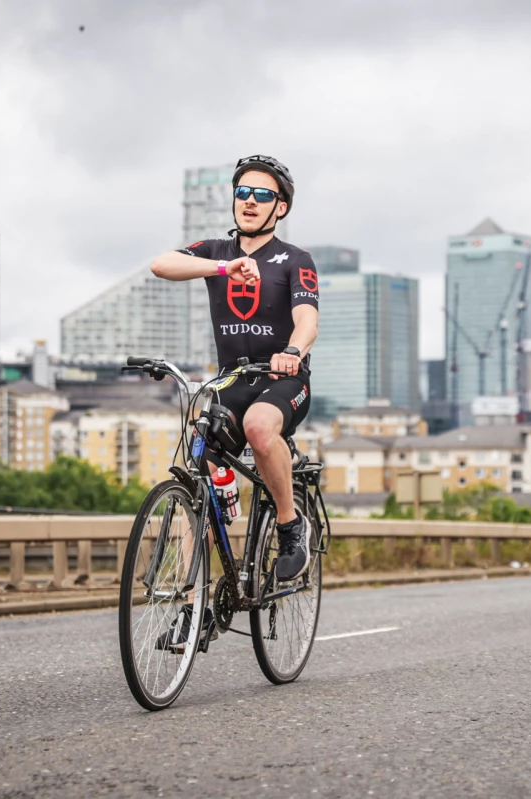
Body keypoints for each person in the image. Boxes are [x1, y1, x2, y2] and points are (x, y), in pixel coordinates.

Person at [150, 155, 319, 648]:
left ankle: (290, 526)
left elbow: (307, 318)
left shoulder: (294, 260)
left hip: (282, 380)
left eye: (262, 195)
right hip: (230, 382)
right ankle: (190, 607)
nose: (250, 201)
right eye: (243, 192)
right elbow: (163, 264)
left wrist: (292, 351)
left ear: (280, 207)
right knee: (196, 486)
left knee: (262, 429)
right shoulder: (218, 252)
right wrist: (224, 267)